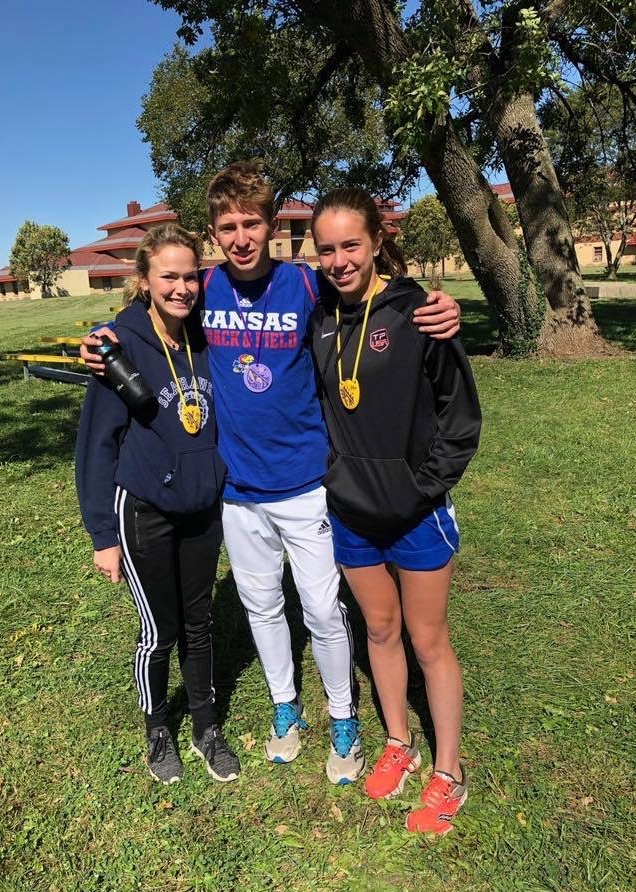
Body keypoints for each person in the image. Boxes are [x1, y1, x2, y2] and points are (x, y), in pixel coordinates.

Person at [81, 162, 462, 785]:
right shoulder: (204, 291)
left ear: (269, 223)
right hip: (236, 491)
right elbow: (145, 316)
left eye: (251, 223)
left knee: (322, 609)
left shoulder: (305, 286)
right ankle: (287, 709)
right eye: (227, 226)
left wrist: (434, 305)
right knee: (262, 607)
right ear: (213, 232)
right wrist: (97, 340)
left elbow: (372, 292)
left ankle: (344, 718)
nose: (241, 237)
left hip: (309, 482)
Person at [309, 188, 481, 833]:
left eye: (351, 245)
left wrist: (421, 487)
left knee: (429, 640)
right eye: (326, 248)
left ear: (377, 242)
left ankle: (449, 772)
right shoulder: (318, 315)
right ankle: (400, 745)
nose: (339, 259)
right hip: (352, 511)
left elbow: (459, 417)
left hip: (414, 512)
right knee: (379, 633)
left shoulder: (419, 312)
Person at [75, 224, 240, 785]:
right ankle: (156, 730)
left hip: (202, 507)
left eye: (191, 276)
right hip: (143, 508)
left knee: (200, 622)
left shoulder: (207, 334)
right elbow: (96, 445)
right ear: (144, 281)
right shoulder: (119, 346)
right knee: (159, 630)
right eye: (168, 276)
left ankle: (204, 726)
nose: (182, 287)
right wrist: (103, 536)